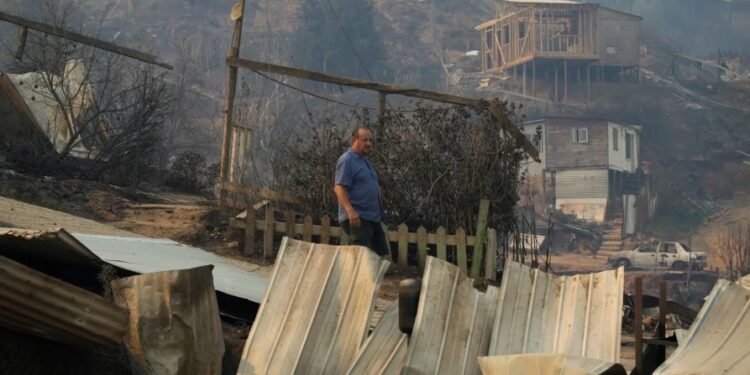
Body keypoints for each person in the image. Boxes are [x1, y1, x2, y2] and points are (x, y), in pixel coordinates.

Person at [334, 127, 389, 257]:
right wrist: (351, 212)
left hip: (372, 218)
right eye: (365, 140)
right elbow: (338, 188)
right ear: (354, 141)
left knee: (383, 259)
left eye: (370, 140)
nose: (369, 144)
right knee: (363, 260)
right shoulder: (347, 160)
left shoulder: (364, 161)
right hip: (358, 218)